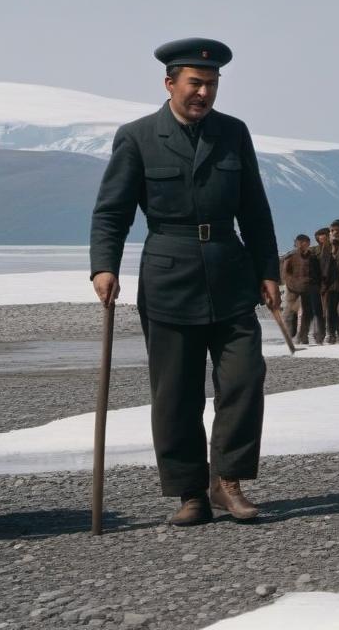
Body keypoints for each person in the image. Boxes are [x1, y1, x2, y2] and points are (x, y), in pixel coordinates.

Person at [90, 38, 281, 526]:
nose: (204, 93)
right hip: (168, 274)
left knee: (244, 379)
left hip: (230, 272)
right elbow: (111, 212)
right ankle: (189, 492)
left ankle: (228, 482)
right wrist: (103, 266)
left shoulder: (233, 133)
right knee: (175, 393)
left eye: (211, 84)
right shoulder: (137, 137)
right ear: (169, 82)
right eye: (195, 83)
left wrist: (267, 270)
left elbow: (255, 209)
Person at [281, 234, 323, 344]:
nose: (301, 245)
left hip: (308, 287)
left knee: (307, 313)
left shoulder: (313, 257)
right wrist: (292, 284)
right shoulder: (290, 256)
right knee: (290, 311)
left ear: (308, 243)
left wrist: (316, 285)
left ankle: (303, 336)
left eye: (303, 242)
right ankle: (289, 334)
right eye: (299, 243)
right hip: (293, 288)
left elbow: (317, 273)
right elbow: (285, 273)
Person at [314, 227, 339, 343]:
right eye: (320, 235)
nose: (322, 237)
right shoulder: (315, 250)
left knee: (331, 311)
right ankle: (319, 334)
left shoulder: (335, 248)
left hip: (333, 284)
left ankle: (331, 334)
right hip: (319, 284)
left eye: (324, 235)